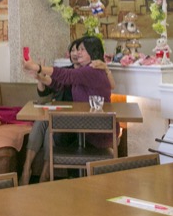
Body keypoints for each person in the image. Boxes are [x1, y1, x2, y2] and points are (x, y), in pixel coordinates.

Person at [19, 36, 115, 185]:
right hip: (84, 125)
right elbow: (60, 84)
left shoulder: (92, 70)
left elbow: (66, 75)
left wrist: (37, 67)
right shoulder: (86, 70)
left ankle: (46, 176)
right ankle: (30, 171)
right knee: (44, 123)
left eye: (82, 49)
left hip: (93, 131)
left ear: (92, 51)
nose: (78, 53)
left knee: (52, 128)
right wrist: (39, 77)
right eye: (76, 49)